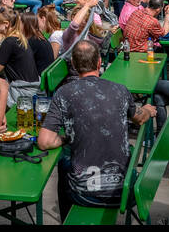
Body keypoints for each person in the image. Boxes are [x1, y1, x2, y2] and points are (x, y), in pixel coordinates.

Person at [38, 38, 155, 220]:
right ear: (100, 62)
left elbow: (45, 142)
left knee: (63, 162)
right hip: (124, 190)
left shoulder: (64, 93)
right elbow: (139, 118)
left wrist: (67, 138)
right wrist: (147, 110)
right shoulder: (120, 90)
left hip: (84, 194)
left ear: (75, 66)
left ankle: (66, 220)